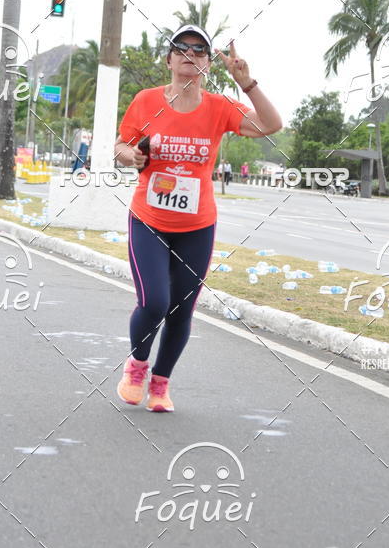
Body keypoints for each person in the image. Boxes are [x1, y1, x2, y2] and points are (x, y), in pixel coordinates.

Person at [114, 26, 282, 413]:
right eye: (182, 48)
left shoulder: (219, 107)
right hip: (149, 220)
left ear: (208, 63)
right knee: (155, 302)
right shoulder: (146, 101)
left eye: (200, 50)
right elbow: (121, 144)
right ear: (169, 59)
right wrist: (131, 156)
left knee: (181, 309)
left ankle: (161, 384)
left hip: (197, 227)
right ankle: (137, 367)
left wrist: (247, 84)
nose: (190, 54)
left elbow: (271, 125)